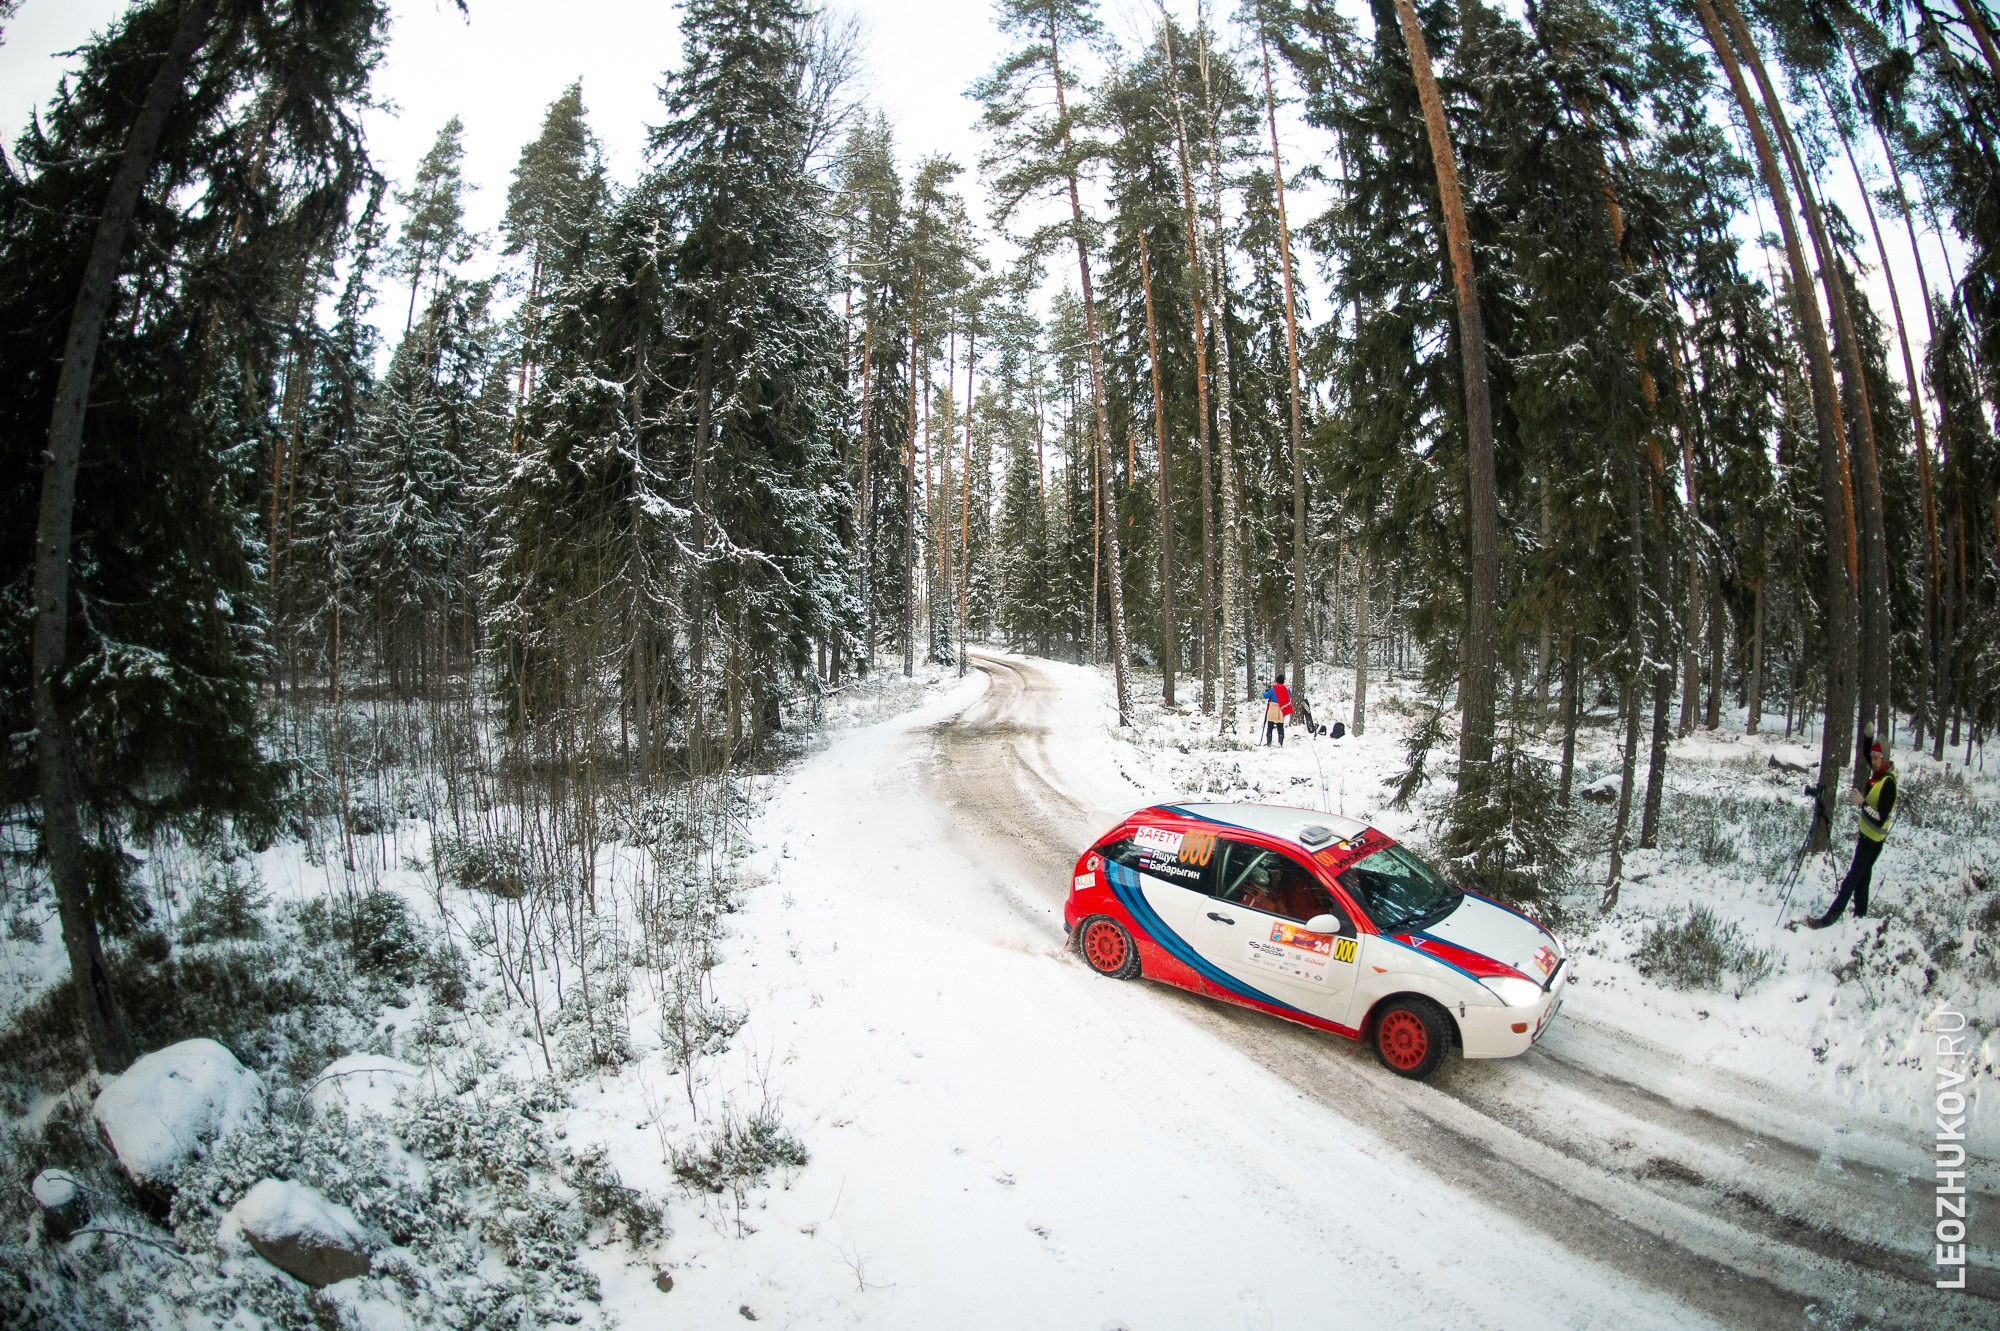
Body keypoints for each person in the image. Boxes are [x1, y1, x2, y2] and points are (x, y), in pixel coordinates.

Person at [1807, 739, 1896, 928]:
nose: (1874, 761)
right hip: (1866, 837)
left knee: (1851, 880)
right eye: (1873, 757)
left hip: (1873, 841)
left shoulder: (1888, 783)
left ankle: (1827, 920)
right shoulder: (1879, 775)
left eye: (1877, 758)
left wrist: (1862, 803)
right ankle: (1860, 921)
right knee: (1862, 881)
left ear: (1885, 758)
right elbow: (1867, 754)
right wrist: (1867, 737)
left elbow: (1880, 818)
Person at [1262, 675, 1292, 746]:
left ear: (1276, 681)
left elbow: (1265, 696)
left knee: (1270, 726)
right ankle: (1280, 743)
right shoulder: (1286, 690)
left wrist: (1264, 692)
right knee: (1280, 727)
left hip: (1273, 709)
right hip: (1281, 709)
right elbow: (1290, 696)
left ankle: (1269, 743)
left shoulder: (1273, 689)